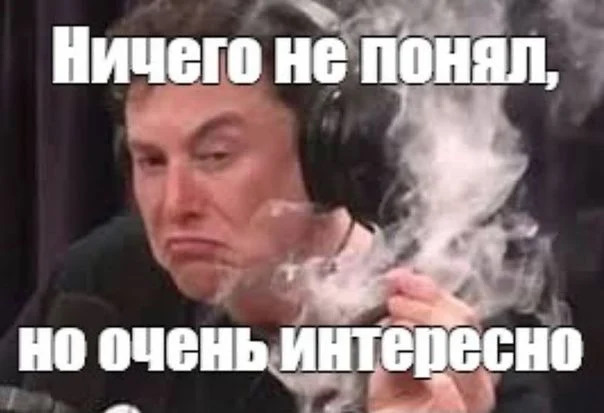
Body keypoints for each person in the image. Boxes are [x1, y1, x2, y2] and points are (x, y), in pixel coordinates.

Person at [0, 0, 554, 412]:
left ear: (325, 156)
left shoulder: (453, 345)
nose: (175, 204)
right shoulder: (103, 282)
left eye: (215, 156)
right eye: (151, 160)